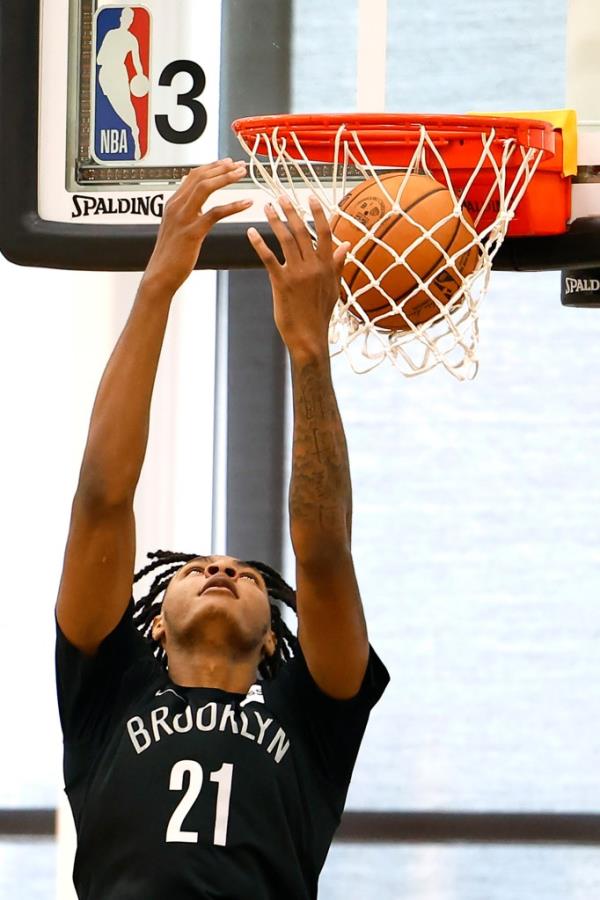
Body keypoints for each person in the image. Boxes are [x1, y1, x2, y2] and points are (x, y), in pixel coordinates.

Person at [55, 158, 389, 900]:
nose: (223, 569)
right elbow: (102, 498)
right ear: (151, 628)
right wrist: (157, 286)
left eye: (243, 573)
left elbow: (325, 550)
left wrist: (309, 350)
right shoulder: (106, 696)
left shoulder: (312, 723)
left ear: (275, 637)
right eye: (196, 567)